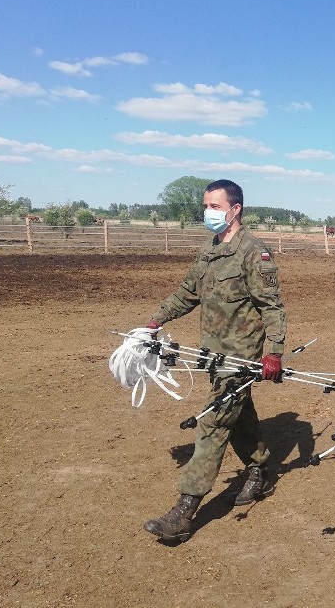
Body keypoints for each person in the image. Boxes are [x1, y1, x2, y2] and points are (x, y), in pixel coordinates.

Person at [143, 179, 287, 542]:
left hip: (241, 355)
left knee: (213, 422)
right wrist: (156, 321)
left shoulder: (255, 252)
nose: (208, 212)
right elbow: (188, 293)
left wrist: (274, 351)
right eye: (206, 206)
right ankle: (261, 471)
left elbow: (272, 306)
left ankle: (184, 509)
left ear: (235, 209)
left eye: (214, 206)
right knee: (238, 415)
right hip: (212, 351)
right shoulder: (209, 250)